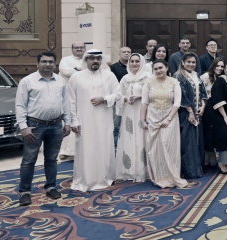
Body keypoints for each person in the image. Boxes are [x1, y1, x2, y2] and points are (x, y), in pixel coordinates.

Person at [15, 52, 71, 206]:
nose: (48, 64)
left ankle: (51, 187)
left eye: (51, 62)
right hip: (34, 126)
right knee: (29, 160)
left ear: (55, 64)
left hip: (56, 125)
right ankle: (24, 191)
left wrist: (67, 122)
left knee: (52, 159)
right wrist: (23, 126)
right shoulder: (27, 81)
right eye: (44, 61)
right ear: (37, 64)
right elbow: (20, 105)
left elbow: (65, 102)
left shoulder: (60, 80)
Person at [68, 49, 120, 192]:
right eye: (92, 58)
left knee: (104, 147)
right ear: (86, 60)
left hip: (104, 120)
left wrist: (104, 98)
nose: (95, 61)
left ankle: (106, 177)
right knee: (86, 149)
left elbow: (118, 93)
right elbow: (71, 101)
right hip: (84, 121)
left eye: (98, 58)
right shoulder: (76, 77)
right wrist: (74, 121)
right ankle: (86, 179)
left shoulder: (109, 75)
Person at [140, 60, 190, 188]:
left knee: (169, 146)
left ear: (166, 67)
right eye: (156, 69)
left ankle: (173, 176)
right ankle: (159, 177)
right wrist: (142, 120)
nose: (158, 71)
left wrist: (168, 118)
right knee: (154, 149)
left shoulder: (174, 82)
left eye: (160, 68)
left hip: (170, 118)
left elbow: (177, 103)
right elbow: (144, 102)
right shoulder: (148, 82)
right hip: (152, 118)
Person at [115, 54, 148, 183]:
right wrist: (125, 98)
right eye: (132, 61)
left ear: (142, 63)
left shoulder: (147, 77)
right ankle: (129, 170)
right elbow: (119, 95)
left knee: (141, 137)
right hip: (128, 111)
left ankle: (142, 170)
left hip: (142, 110)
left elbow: (152, 94)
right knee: (128, 137)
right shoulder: (125, 78)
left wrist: (139, 97)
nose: (134, 64)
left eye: (137, 61)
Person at [205, 61, 227, 173]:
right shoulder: (220, 80)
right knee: (226, 136)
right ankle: (221, 163)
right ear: (224, 70)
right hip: (215, 112)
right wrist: (225, 117)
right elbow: (217, 99)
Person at [176, 52, 205, 179]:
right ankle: (189, 171)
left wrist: (203, 106)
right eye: (188, 62)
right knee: (188, 141)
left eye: (193, 62)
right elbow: (181, 95)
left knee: (198, 140)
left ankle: (198, 167)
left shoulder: (196, 74)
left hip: (198, 112)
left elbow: (203, 92)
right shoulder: (179, 76)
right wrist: (190, 111)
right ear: (183, 62)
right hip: (186, 113)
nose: (191, 64)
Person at [57, 41, 86, 160]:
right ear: (72, 49)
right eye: (76, 47)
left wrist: (79, 71)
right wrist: (82, 72)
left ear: (85, 49)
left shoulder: (87, 59)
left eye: (81, 47)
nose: (79, 49)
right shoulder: (66, 60)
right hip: (68, 96)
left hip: (83, 96)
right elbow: (65, 71)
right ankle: (65, 151)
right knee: (68, 122)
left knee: (82, 122)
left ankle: (82, 150)